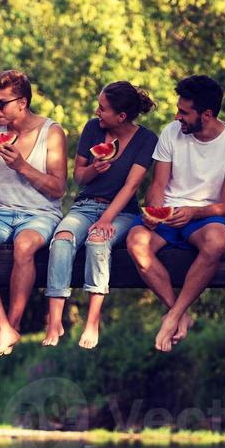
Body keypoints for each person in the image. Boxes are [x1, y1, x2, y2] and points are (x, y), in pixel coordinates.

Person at [126, 75, 225, 352]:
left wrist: (194, 213)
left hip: (205, 216)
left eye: (184, 112)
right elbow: (158, 185)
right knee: (136, 243)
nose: (176, 115)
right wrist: (152, 213)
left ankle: (172, 316)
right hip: (168, 214)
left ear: (206, 115)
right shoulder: (172, 132)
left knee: (218, 241)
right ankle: (179, 314)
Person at [43, 82, 158, 349]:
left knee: (97, 241)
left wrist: (106, 218)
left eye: (102, 108)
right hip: (84, 206)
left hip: (123, 212)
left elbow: (131, 186)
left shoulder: (146, 139)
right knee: (61, 239)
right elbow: (79, 177)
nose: (97, 111)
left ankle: (92, 321)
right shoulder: (92, 129)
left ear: (121, 116)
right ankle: (55, 321)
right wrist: (95, 168)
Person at [0, 70, 67, 357]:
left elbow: (59, 189)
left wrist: (23, 166)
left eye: (1, 103)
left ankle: (14, 325)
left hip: (41, 213)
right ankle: (3, 326)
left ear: (22, 102)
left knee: (24, 245)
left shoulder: (51, 132)